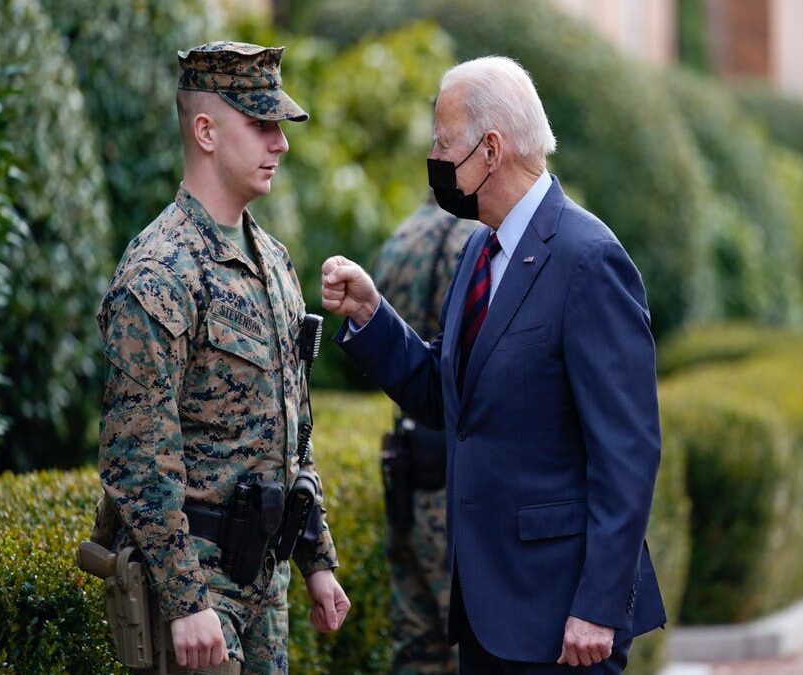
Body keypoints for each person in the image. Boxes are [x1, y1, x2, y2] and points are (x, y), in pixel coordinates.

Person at [321, 56, 665, 673]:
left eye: (442, 142)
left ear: (491, 150)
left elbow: (628, 451)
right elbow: (450, 396)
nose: (433, 157)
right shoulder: (482, 248)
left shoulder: (589, 259)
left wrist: (600, 605)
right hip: (487, 611)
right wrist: (372, 315)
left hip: (565, 620)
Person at [91, 41, 349, 673]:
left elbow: (294, 429)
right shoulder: (160, 271)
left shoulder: (274, 263)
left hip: (263, 586)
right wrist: (185, 601)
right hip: (199, 595)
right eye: (261, 124)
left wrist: (316, 558)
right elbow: (136, 455)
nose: (280, 143)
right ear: (205, 132)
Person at [373, 196, 476, 674]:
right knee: (469, 641)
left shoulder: (400, 238)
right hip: (454, 467)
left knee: (416, 644)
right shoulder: (475, 240)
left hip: (407, 459)